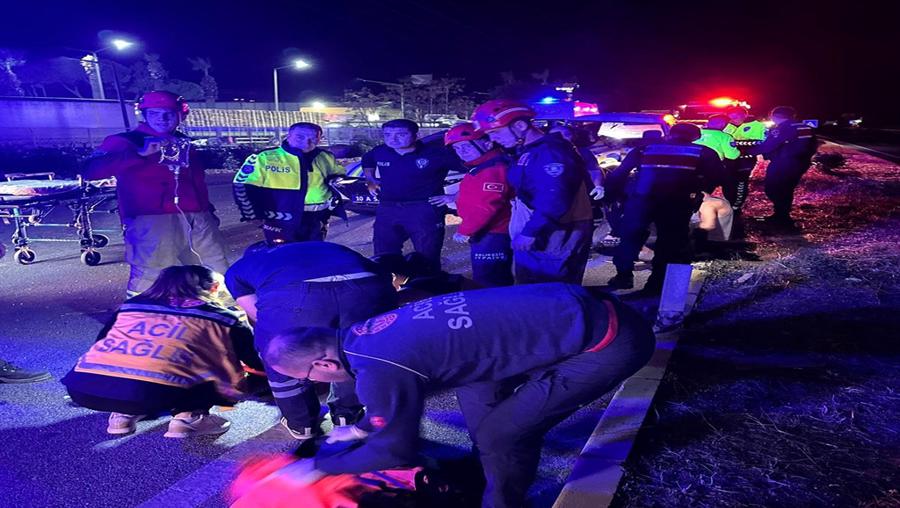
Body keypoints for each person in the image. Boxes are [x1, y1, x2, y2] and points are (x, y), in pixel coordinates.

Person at [263, 283, 656, 508]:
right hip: (577, 308)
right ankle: (489, 474)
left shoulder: (378, 369)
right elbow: (393, 410)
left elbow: (396, 450)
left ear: (325, 365)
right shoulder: (366, 332)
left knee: (499, 435)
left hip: (610, 341)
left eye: (309, 380)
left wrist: (316, 470)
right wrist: (360, 431)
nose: (320, 387)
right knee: (478, 408)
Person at [224, 241, 398, 440]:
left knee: (281, 352)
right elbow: (379, 274)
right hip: (367, 287)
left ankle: (302, 424)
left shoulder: (240, 269)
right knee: (352, 352)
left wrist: (288, 332)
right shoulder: (320, 246)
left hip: (296, 295)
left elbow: (256, 313)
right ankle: (348, 414)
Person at [61, 265, 261, 437]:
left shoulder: (130, 306)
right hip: (164, 392)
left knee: (130, 361)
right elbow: (254, 360)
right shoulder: (222, 317)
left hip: (85, 388)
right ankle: (189, 418)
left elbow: (101, 343)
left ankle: (122, 415)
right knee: (213, 365)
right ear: (214, 288)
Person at [84, 90, 229, 295]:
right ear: (145, 115)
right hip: (151, 218)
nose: (162, 119)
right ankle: (140, 320)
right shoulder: (125, 141)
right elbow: (91, 170)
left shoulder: (183, 143)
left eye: (169, 113)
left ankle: (221, 315)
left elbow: (196, 182)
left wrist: (208, 211)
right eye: (155, 113)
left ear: (180, 115)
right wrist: (137, 154)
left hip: (197, 217)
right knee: (151, 273)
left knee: (215, 266)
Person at [472, 100, 593, 284]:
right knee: (531, 284)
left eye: (495, 132)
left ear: (520, 125)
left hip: (557, 228)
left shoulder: (550, 152)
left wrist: (530, 231)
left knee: (548, 288)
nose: (493, 139)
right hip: (546, 225)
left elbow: (554, 196)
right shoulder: (527, 151)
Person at [604, 123, 725, 292]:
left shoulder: (644, 149)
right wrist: (699, 191)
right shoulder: (703, 152)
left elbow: (619, 174)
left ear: (670, 134)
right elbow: (718, 176)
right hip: (677, 203)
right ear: (696, 137)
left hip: (641, 200)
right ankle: (656, 286)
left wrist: (611, 195)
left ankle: (623, 276)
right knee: (670, 242)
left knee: (631, 237)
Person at [362, 119, 461, 273]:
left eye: (400, 134)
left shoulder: (436, 153)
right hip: (387, 208)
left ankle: (428, 291)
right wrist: (370, 179)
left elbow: (477, 170)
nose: (393, 139)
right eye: (387, 134)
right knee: (384, 254)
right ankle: (392, 290)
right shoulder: (381, 151)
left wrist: (455, 195)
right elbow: (367, 160)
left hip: (423, 209)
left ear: (416, 135)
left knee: (427, 256)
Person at [233, 122, 346, 245]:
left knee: (313, 257)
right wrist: (251, 214)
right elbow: (241, 186)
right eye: (300, 137)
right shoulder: (264, 157)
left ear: (319, 139)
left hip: (317, 218)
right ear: (288, 136)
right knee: (283, 258)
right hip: (280, 221)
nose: (306, 143)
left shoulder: (325, 157)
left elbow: (340, 178)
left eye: (313, 139)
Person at [444, 123, 515, 287]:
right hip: (489, 231)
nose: (461, 152)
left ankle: (494, 310)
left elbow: (486, 206)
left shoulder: (492, 170)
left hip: (492, 233)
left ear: (488, 144)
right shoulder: (483, 166)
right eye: (457, 149)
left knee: (490, 278)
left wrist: (465, 231)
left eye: (466, 146)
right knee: (492, 276)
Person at [746, 106, 818, 224]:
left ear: (774, 116)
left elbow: (768, 145)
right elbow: (813, 145)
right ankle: (783, 215)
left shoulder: (781, 128)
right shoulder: (805, 127)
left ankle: (781, 216)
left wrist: (745, 152)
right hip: (801, 163)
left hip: (783, 163)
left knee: (772, 188)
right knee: (787, 188)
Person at [723, 106, 768, 212]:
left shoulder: (757, 125)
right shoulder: (727, 125)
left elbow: (758, 142)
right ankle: (728, 203)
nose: (735, 119)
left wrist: (733, 143)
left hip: (746, 160)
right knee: (728, 181)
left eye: (737, 116)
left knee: (741, 182)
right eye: (732, 117)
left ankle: (737, 206)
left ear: (745, 115)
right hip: (728, 159)